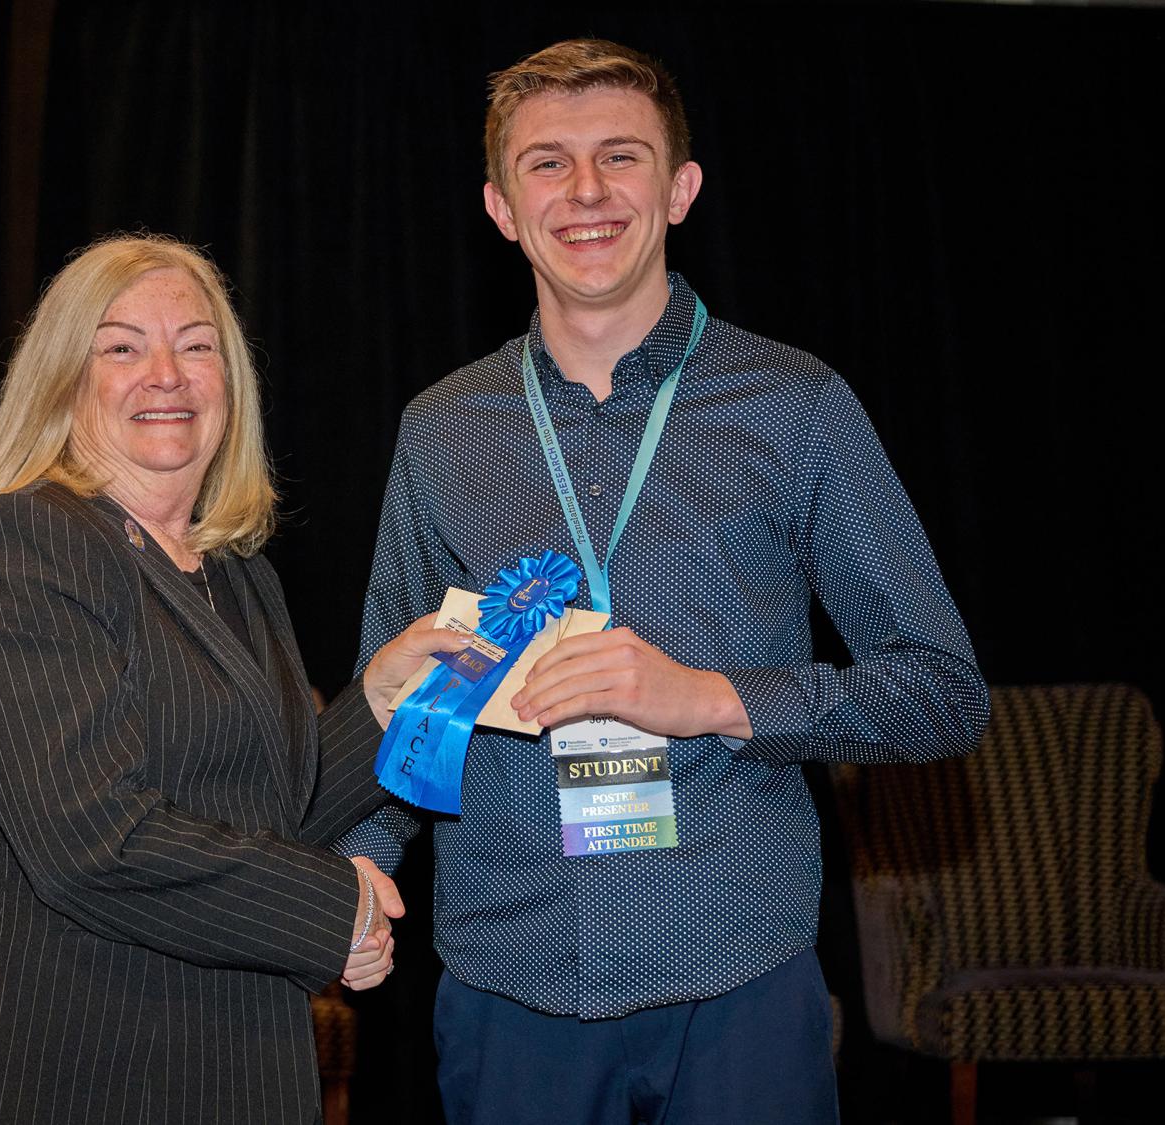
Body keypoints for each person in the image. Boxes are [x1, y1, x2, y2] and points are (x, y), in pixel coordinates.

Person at [338, 39, 989, 1124]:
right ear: (501, 207)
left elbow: (940, 693)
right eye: (547, 164)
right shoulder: (442, 429)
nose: (585, 192)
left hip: (738, 977)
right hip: (510, 987)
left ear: (679, 189)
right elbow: (396, 685)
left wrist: (708, 699)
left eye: (620, 158)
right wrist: (360, 864)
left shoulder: (796, 406)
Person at [0, 233, 467, 1125]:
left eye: (196, 345)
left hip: (240, 1071)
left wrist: (385, 701)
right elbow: (93, 843)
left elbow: (266, 811)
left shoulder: (239, 574)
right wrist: (331, 905)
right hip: (64, 1074)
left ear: (230, 383)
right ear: (61, 382)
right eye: (122, 347)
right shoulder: (30, 544)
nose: (167, 373)